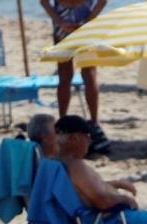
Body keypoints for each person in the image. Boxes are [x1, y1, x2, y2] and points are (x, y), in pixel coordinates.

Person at [41, 0, 109, 154]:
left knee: (86, 73)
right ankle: (67, 119)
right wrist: (59, 20)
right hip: (68, 17)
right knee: (68, 75)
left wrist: (88, 20)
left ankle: (91, 121)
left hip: (79, 16)